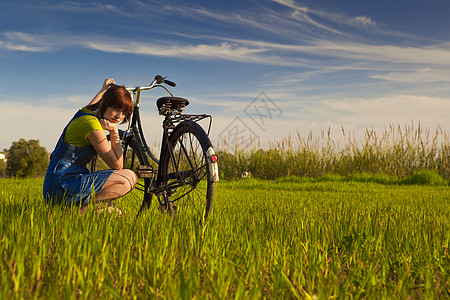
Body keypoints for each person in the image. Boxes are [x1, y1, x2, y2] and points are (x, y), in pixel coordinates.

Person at [43, 78, 137, 214]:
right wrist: (114, 131)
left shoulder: (86, 113)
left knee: (115, 212)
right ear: (104, 103)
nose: (119, 116)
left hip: (60, 185)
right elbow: (117, 165)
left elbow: (94, 104)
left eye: (124, 112)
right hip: (61, 187)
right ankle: (76, 213)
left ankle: (79, 208)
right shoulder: (92, 126)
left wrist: (103, 90)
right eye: (115, 108)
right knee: (128, 178)